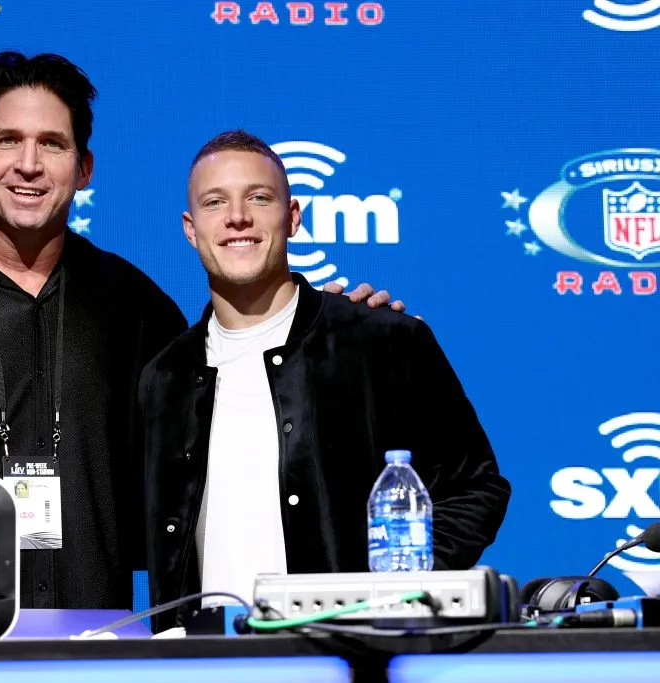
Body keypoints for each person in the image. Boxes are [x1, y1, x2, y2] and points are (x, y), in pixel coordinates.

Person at [0, 52, 404, 610]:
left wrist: (329, 329)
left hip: (95, 644)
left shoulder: (134, 304)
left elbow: (236, 408)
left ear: (83, 168)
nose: (29, 165)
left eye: (53, 145)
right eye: (9, 140)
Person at [139, 130, 511, 631]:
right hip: (202, 663)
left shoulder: (383, 341)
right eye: (215, 202)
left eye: (259, 198)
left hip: (347, 656)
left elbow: (475, 487)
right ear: (191, 227)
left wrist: (398, 598)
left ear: (292, 217)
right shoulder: (164, 377)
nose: (237, 218)